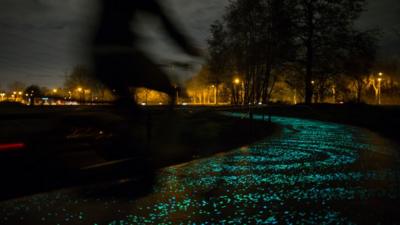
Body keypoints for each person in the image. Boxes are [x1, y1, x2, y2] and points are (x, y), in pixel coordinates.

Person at [92, 0, 200, 108]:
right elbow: (166, 23)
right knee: (168, 87)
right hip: (124, 56)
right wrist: (188, 48)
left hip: (98, 59)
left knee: (125, 99)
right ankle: (169, 120)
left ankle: (126, 112)